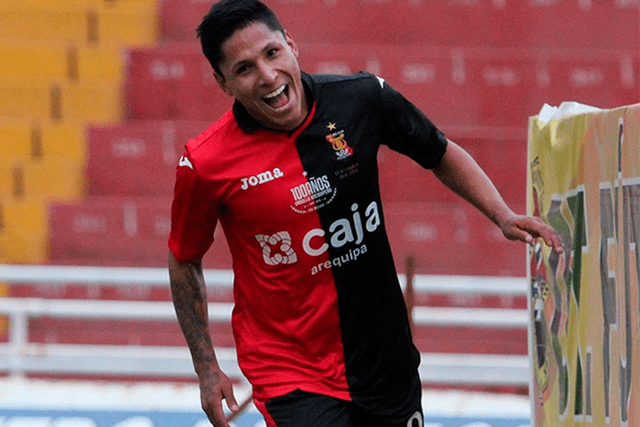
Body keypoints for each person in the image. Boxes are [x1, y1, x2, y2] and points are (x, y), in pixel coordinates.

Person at [167, 0, 564, 426]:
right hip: (290, 371)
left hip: (384, 357)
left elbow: (439, 151)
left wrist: (502, 215)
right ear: (222, 82)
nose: (267, 77)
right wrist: (207, 369)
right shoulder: (205, 162)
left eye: (272, 53)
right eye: (244, 69)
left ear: (291, 45)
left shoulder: (362, 98)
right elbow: (183, 258)